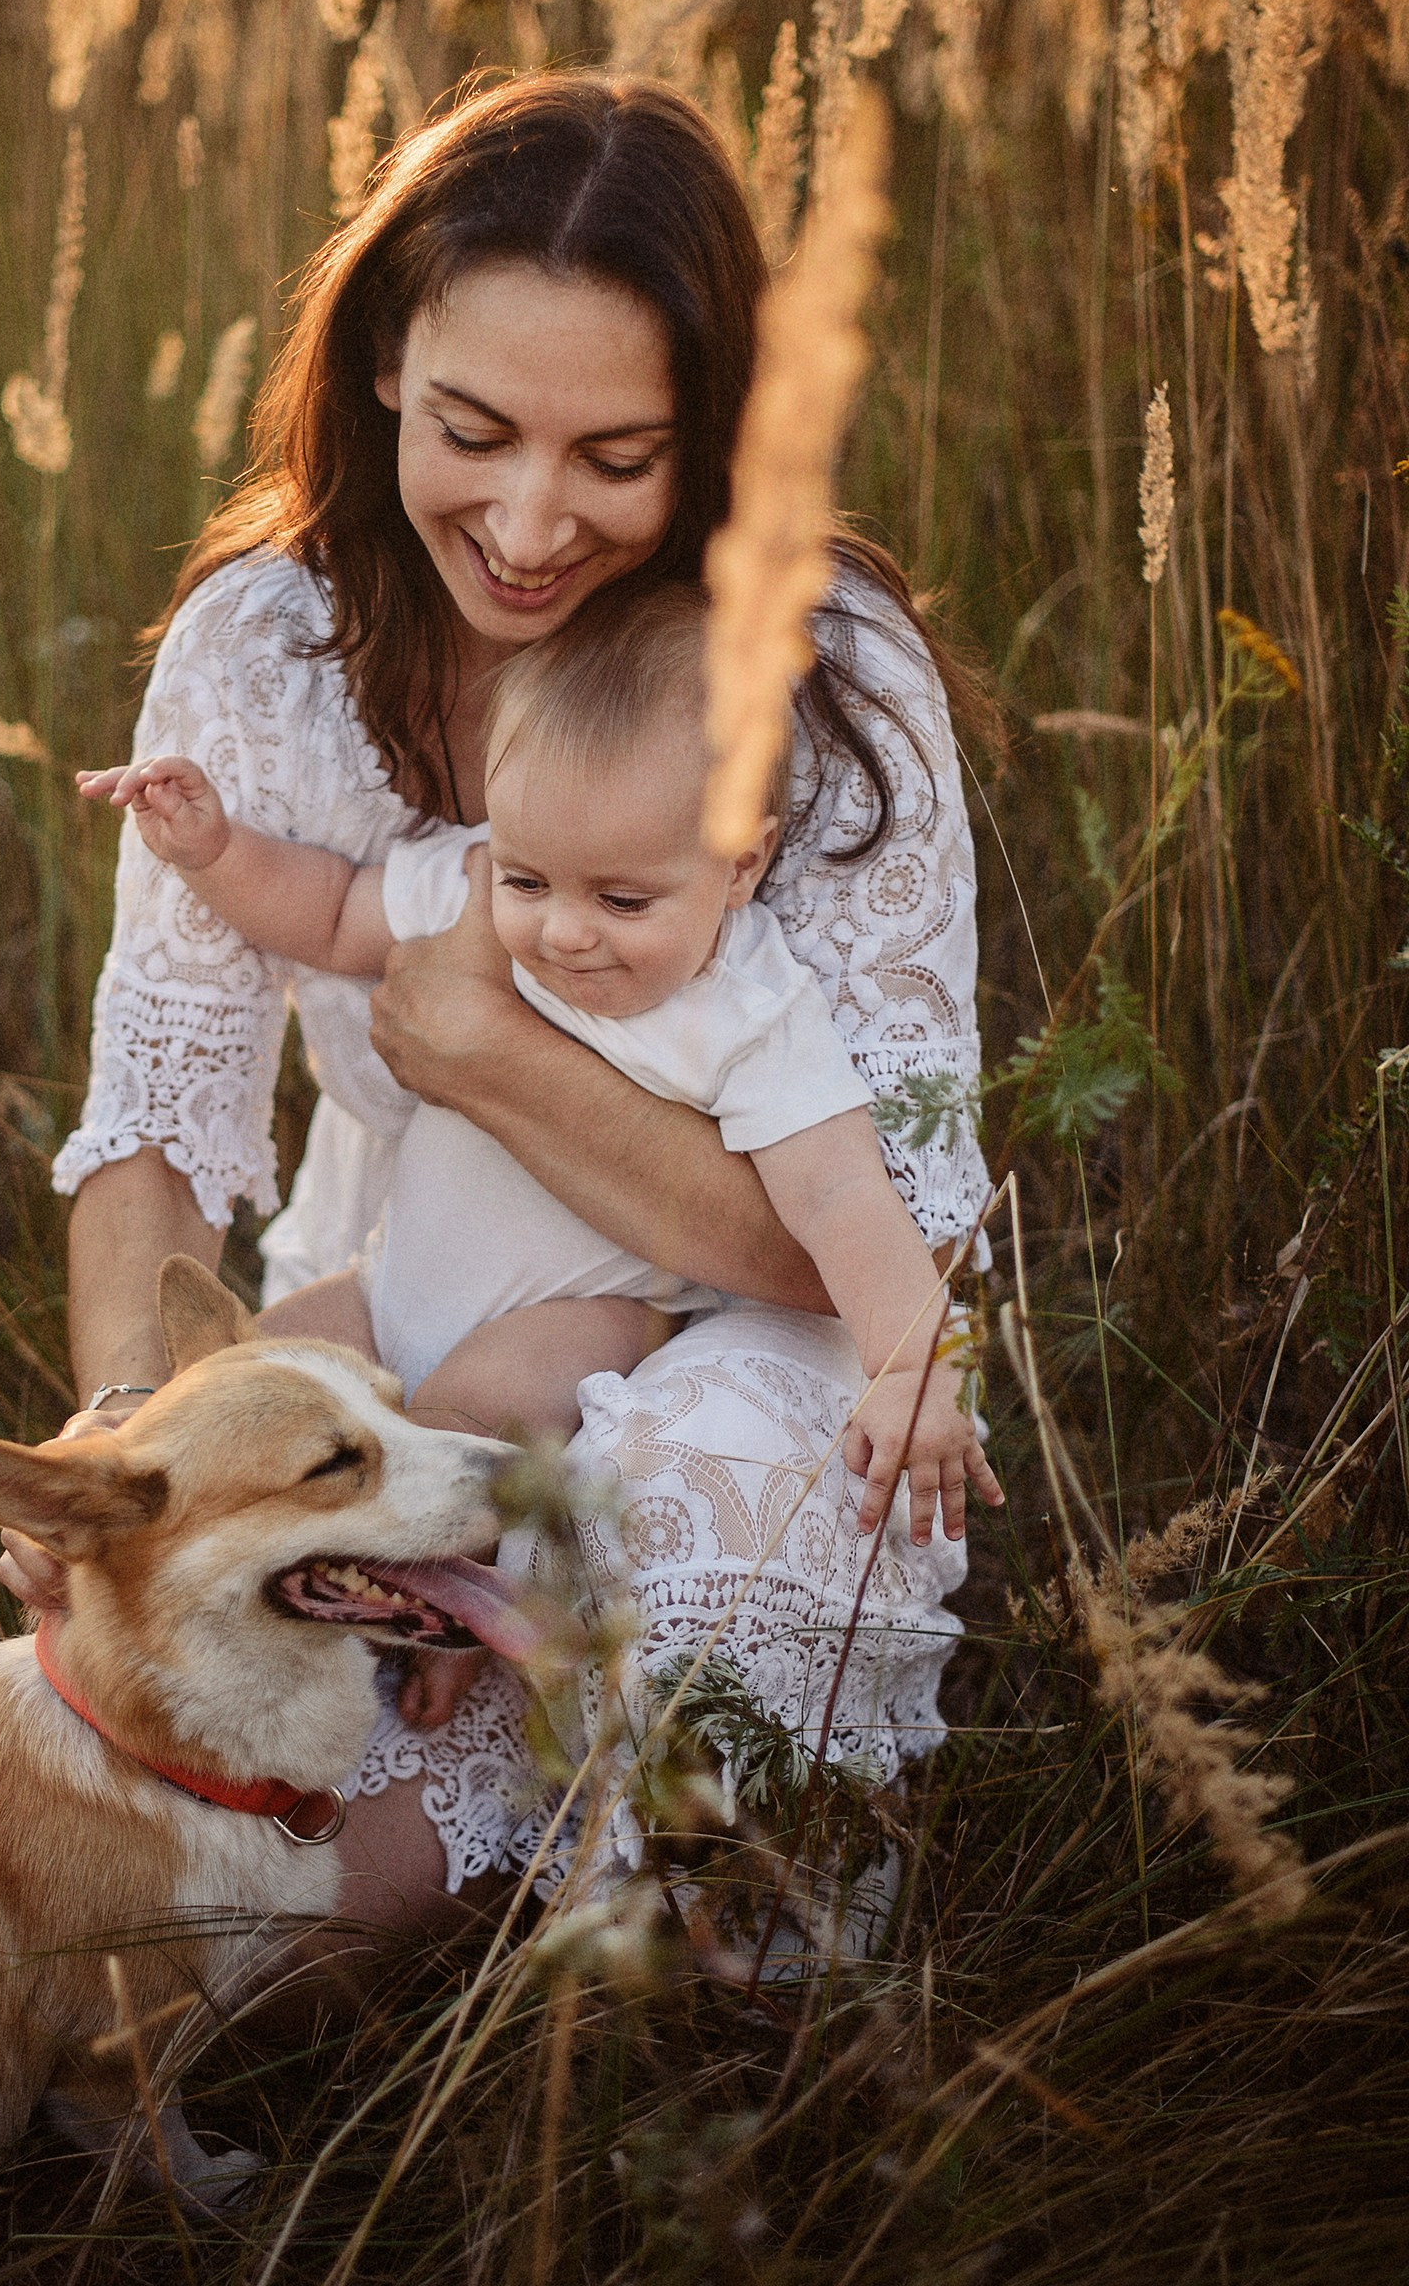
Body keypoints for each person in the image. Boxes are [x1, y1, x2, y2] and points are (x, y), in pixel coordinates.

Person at [17, 70, 994, 1938]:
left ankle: (560, 1906)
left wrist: (495, 1057)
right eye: (476, 429)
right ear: (385, 359)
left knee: (652, 1571)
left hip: (749, 1320)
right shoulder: (265, 649)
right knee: (186, 1682)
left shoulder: (814, 683)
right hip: (408, 1290)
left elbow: (878, 1237)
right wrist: (127, 1445)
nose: (533, 524)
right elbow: (156, 1114)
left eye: (615, 460)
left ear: (708, 441)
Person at [74, 581, 1002, 1559]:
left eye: (622, 899)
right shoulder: (483, 873)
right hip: (385, 1283)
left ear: (738, 864)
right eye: (529, 880)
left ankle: (452, 1603)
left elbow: (841, 1196)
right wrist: (217, 853)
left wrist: (908, 1372)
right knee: (240, 1384)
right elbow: (336, 909)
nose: (561, 931)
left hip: (565, 1324)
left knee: (461, 1422)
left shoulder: (749, 1012)